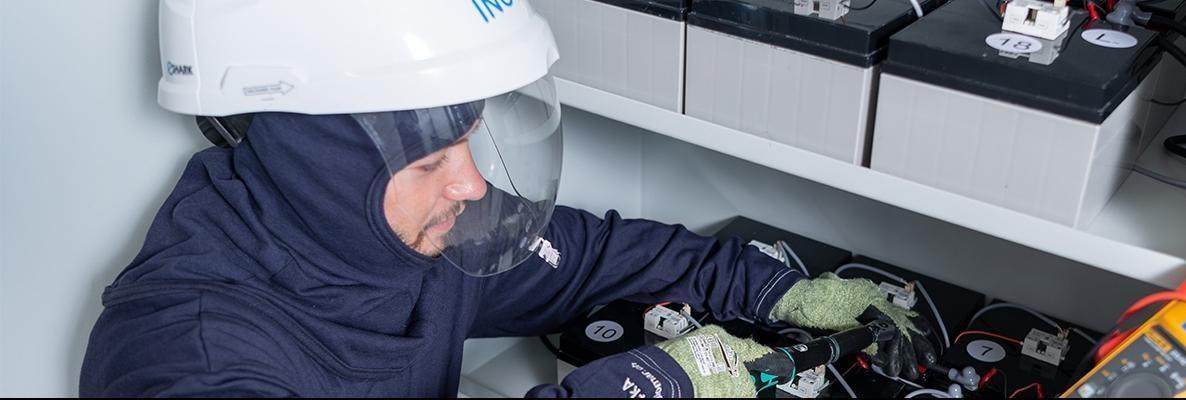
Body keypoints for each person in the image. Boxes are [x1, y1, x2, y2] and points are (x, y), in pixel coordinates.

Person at [79, 1, 934, 397]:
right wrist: (639, 390)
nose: (470, 185)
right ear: (315, 160)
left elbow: (590, 259)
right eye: (428, 159)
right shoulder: (183, 356)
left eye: (469, 139)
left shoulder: (397, 229)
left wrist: (772, 288)